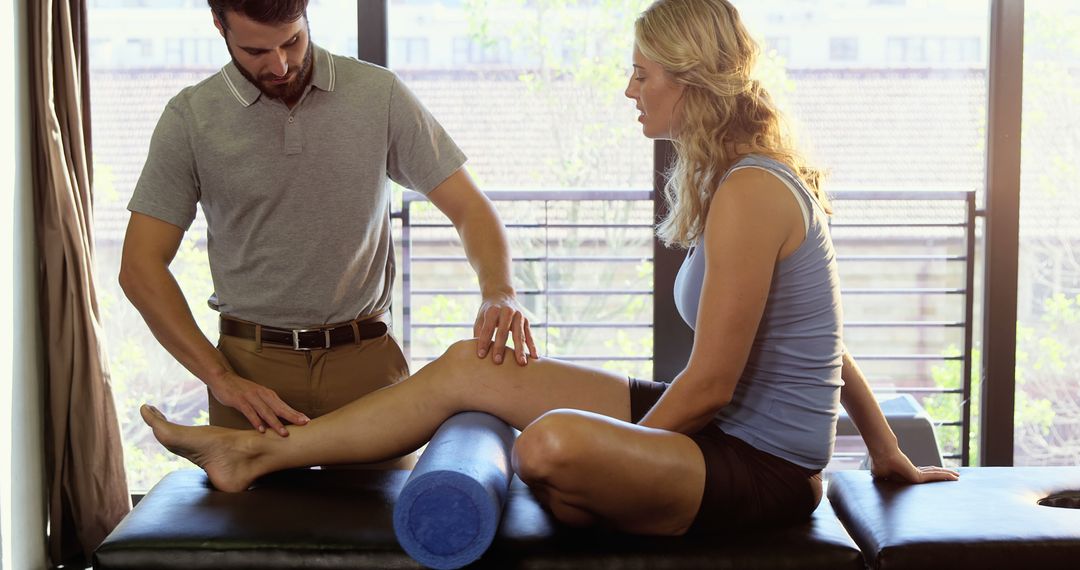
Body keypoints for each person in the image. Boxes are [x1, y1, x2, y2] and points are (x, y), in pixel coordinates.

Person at [140, 0, 959, 535]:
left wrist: (615, 448)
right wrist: (882, 448)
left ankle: (258, 454)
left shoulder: (752, 191)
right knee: (475, 365)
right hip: (719, 428)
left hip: (761, 464)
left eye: (642, 74)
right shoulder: (736, 178)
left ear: (692, 83)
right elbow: (823, 338)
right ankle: (250, 452)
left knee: (551, 450)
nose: (629, 89)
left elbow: (709, 388)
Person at [119, 0, 537, 443]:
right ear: (219, 26)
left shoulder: (379, 94)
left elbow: (470, 207)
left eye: (292, 41)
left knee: (387, 513)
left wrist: (500, 292)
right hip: (250, 372)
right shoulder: (189, 119)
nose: (280, 64)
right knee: (251, 515)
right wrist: (221, 379)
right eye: (256, 52)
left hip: (367, 364)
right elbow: (140, 268)